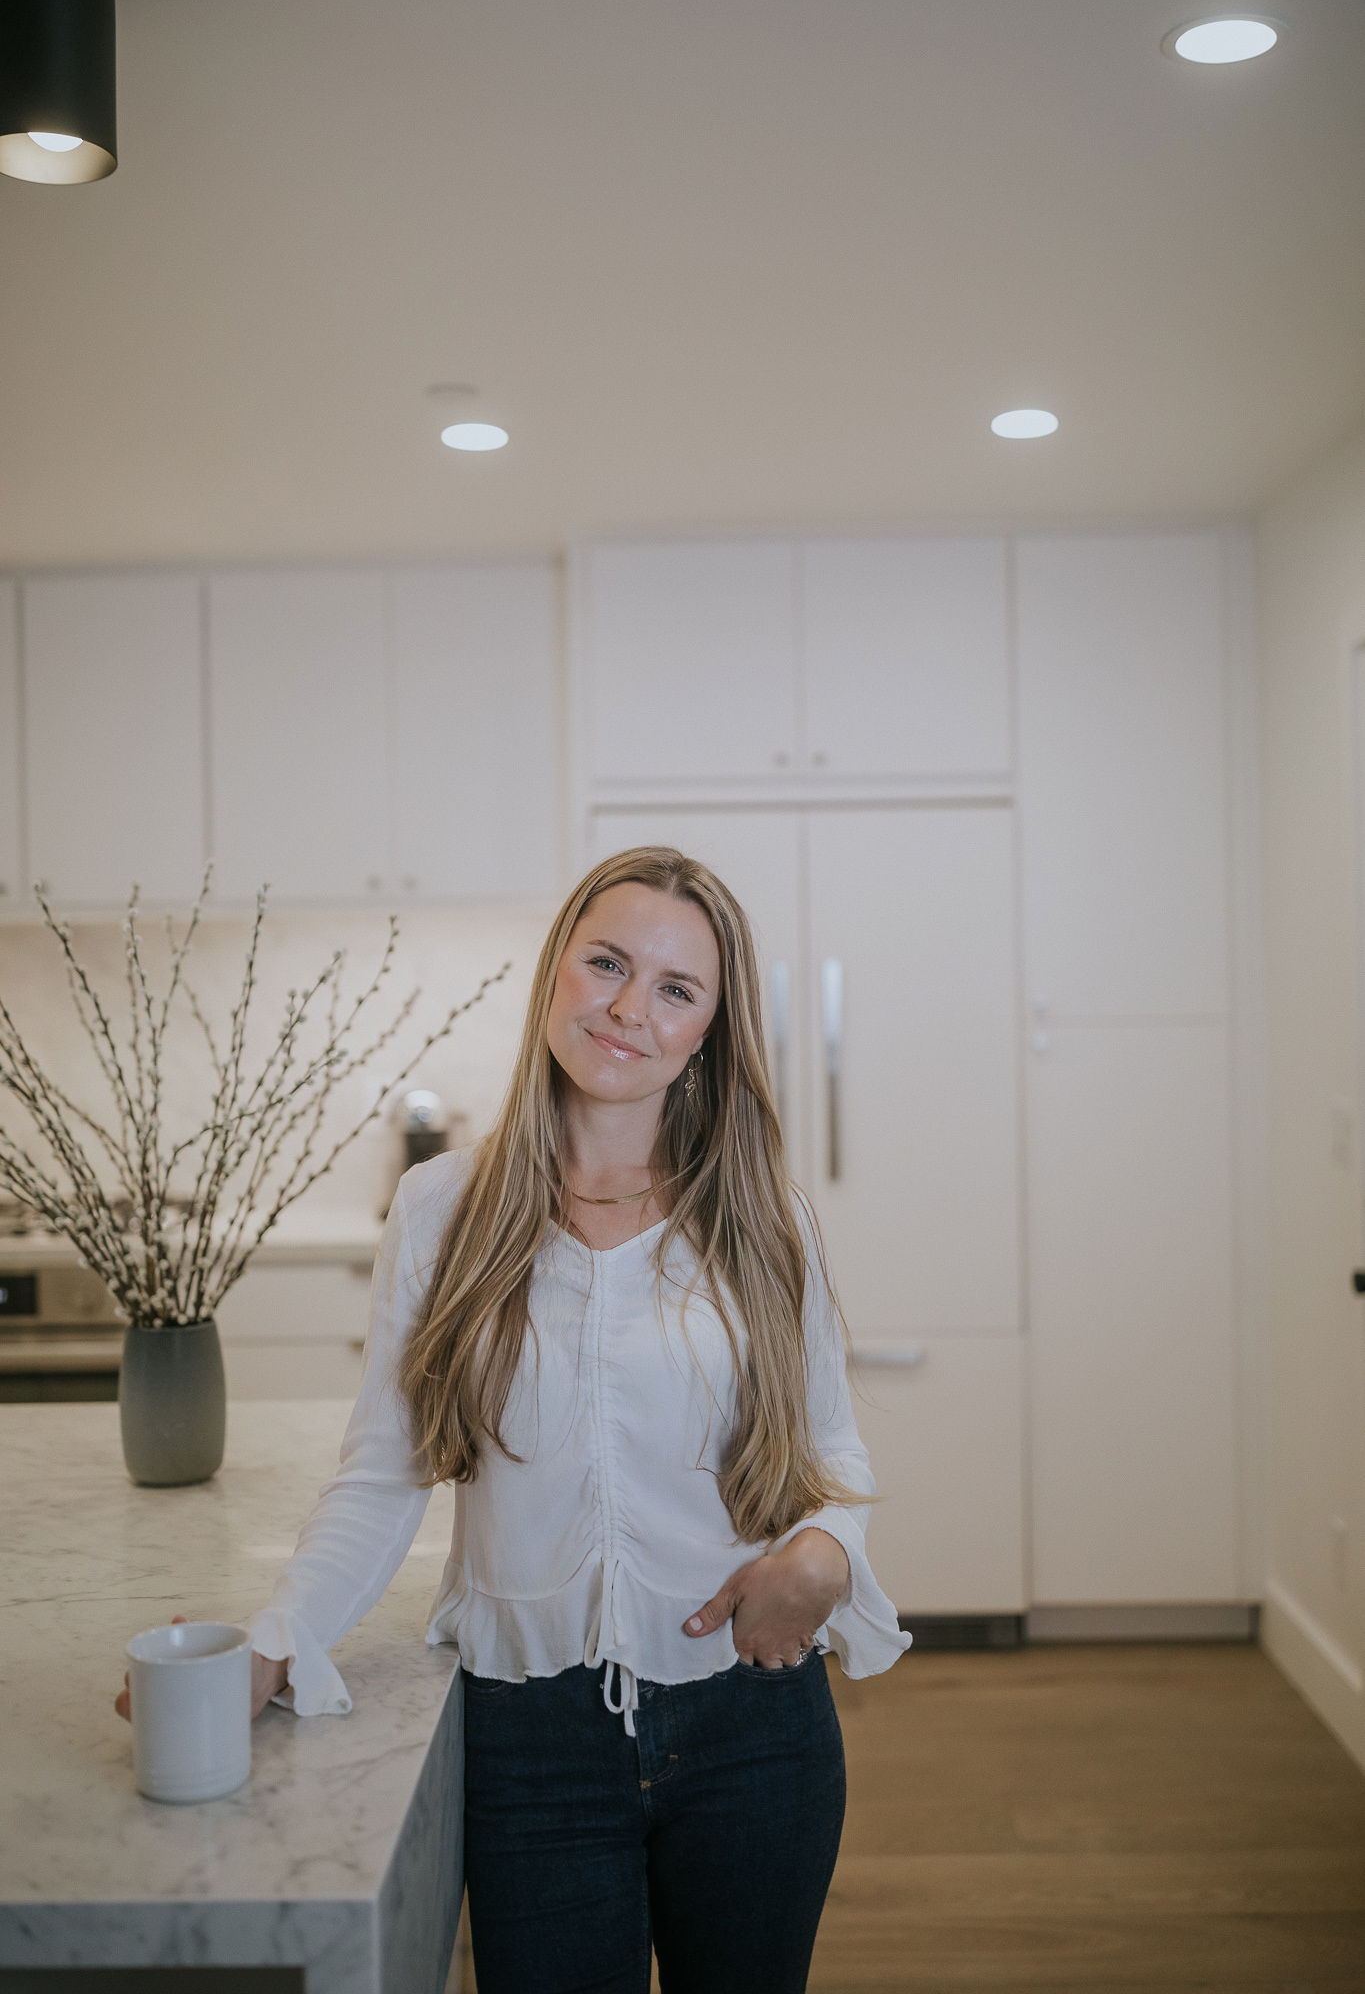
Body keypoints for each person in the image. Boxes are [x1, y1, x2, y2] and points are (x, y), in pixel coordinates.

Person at [120, 846, 910, 1993]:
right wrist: (276, 1641)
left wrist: (827, 1556)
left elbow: (832, 1450)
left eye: (677, 988)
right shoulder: (445, 1210)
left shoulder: (759, 1214)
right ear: (557, 972)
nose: (630, 1007)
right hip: (532, 1745)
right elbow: (385, 1469)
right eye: (607, 962)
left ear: (708, 1031)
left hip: (756, 1730)